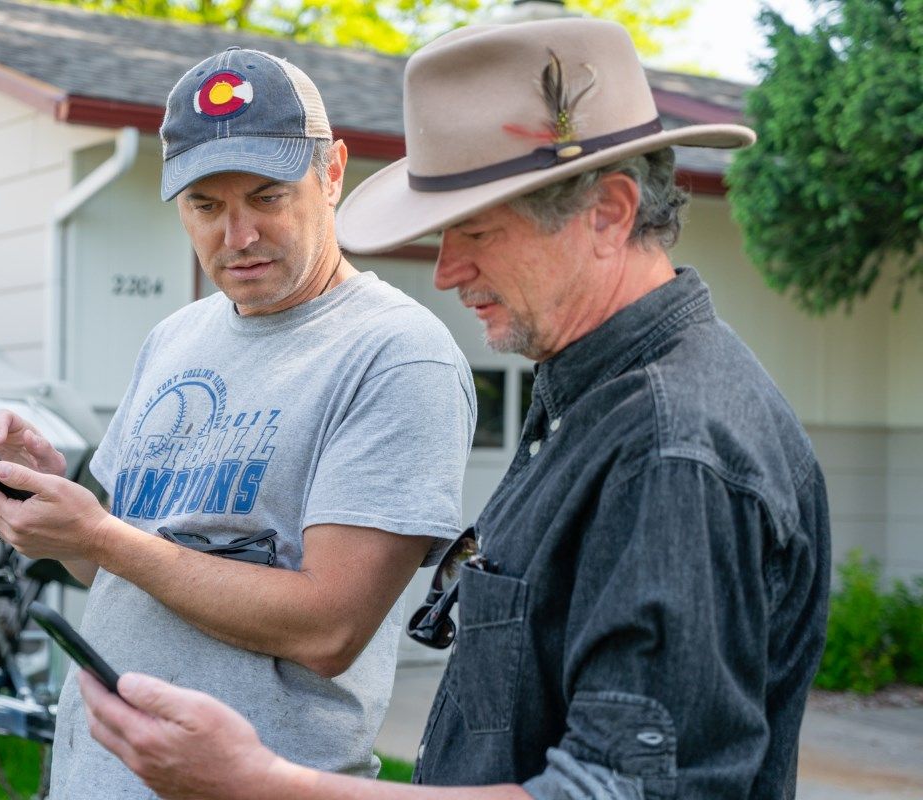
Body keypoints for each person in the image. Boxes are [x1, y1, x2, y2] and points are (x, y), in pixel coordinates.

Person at [76, 18, 831, 800]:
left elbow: (621, 792)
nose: (444, 272)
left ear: (608, 212)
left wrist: (259, 782)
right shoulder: (599, 402)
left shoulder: (673, 452)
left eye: (474, 229)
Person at [0, 47, 475, 799]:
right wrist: (57, 504)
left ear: (332, 174)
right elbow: (114, 570)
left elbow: (329, 629)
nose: (238, 235)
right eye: (205, 206)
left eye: (266, 197)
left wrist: (101, 535)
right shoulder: (176, 337)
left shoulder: (396, 356)